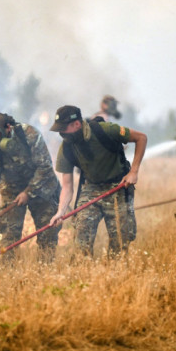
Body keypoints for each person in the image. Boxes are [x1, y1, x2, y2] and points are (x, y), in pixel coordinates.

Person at [48, 105, 147, 257]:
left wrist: (133, 172)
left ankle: (114, 274)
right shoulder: (66, 147)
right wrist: (60, 212)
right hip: (91, 188)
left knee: (120, 242)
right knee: (81, 236)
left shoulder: (106, 130)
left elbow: (141, 138)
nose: (61, 133)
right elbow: (67, 187)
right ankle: (84, 271)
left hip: (118, 187)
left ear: (76, 124)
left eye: (63, 128)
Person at [0, 112, 62, 263]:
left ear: (8, 128)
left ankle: (46, 270)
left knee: (47, 231)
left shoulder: (29, 135)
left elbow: (45, 168)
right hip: (12, 188)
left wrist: (28, 192)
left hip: (42, 186)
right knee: (10, 234)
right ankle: (7, 275)